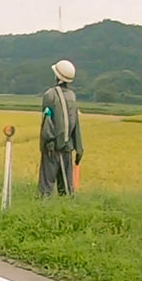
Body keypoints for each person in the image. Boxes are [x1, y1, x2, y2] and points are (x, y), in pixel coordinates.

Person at [39, 59, 84, 197]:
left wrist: (49, 143)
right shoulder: (72, 96)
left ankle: (42, 211)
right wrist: (79, 148)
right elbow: (76, 123)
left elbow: (47, 120)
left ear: (57, 76)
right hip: (67, 148)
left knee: (45, 188)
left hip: (52, 148)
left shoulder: (49, 95)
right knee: (66, 189)